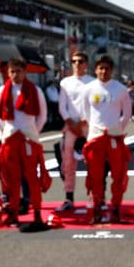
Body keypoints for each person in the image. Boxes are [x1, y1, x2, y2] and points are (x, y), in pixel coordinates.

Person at [0, 57, 50, 231]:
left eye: (19, 71)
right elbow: (0, 117)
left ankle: (37, 213)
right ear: (8, 73)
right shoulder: (2, 91)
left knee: (32, 178)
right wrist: (9, 132)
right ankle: (14, 214)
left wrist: (32, 133)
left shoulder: (35, 90)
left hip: (29, 138)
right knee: (12, 180)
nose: (16, 75)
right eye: (12, 72)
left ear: (25, 72)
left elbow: (43, 116)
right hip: (10, 138)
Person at [81, 54, 134, 224]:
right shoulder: (88, 89)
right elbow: (86, 113)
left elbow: (127, 114)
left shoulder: (120, 89)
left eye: (107, 68)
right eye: (101, 68)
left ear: (112, 70)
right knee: (95, 176)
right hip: (96, 138)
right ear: (95, 70)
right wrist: (96, 129)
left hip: (114, 138)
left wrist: (116, 129)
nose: (104, 71)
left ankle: (116, 209)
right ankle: (97, 208)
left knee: (118, 176)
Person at [57, 52, 93, 212]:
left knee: (92, 162)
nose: (77, 64)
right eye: (74, 61)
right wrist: (71, 123)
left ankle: (94, 196)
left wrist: (85, 121)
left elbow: (94, 105)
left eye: (80, 61)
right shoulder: (65, 82)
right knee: (68, 163)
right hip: (70, 125)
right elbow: (62, 106)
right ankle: (68, 198)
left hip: (88, 125)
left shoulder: (92, 82)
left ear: (86, 63)